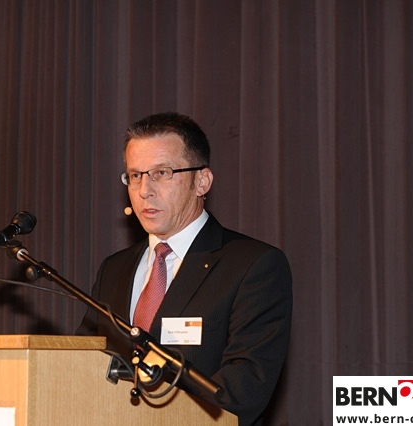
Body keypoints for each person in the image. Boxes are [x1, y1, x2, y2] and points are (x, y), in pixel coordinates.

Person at [77, 112, 292, 426]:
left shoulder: (252, 265)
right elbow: (83, 365)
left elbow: (243, 390)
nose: (144, 190)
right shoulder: (114, 268)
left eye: (161, 173)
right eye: (135, 175)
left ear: (201, 181)